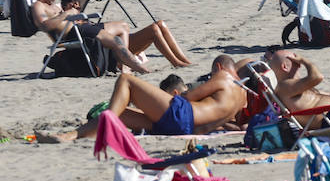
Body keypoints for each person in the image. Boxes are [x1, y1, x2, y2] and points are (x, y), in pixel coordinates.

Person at [47, 55, 249, 142]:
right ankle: (73, 135)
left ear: (220, 68)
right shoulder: (243, 98)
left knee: (126, 79)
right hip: (183, 129)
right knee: (118, 112)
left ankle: (100, 127)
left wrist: (168, 97)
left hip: (182, 115)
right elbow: (234, 125)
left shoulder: (224, 77)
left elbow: (190, 96)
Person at [31, 0, 189, 71]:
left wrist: (74, 15)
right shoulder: (39, 6)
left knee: (158, 25)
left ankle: (182, 61)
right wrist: (66, 14)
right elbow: (44, 26)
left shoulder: (54, 7)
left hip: (86, 32)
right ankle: (126, 65)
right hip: (81, 37)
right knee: (129, 28)